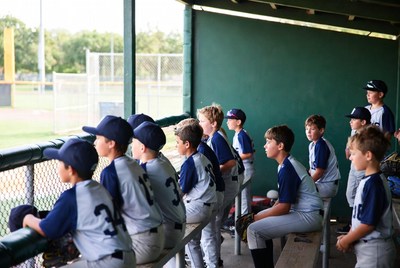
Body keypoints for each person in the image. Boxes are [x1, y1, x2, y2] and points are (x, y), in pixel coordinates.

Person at [22, 138, 136, 267]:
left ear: (71, 170)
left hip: (108, 263)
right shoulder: (99, 188)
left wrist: (28, 218)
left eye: (60, 161)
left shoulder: (73, 196)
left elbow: (47, 229)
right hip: (129, 257)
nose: (58, 165)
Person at [82, 115, 164, 265]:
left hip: (141, 243)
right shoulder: (133, 163)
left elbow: (109, 216)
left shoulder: (111, 172)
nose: (95, 142)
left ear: (111, 143)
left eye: (99, 138)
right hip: (156, 236)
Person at [247, 125, 323, 267]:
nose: (265, 145)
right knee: (259, 223)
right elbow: (282, 200)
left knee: (253, 230)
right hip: (305, 212)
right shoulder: (285, 164)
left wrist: (255, 218)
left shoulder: (288, 168)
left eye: (269, 142)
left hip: (308, 216)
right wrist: (258, 216)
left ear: (280, 145)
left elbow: (284, 208)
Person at [336, 125, 396, 267]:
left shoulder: (374, 184)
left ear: (368, 155)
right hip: (368, 247)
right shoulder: (369, 180)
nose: (350, 157)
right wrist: (350, 236)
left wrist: (346, 240)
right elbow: (361, 217)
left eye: (354, 153)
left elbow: (368, 224)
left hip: (375, 251)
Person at [131, 121, 186, 267]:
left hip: (168, 233)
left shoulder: (146, 170)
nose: (131, 145)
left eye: (134, 142)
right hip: (178, 225)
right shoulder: (163, 162)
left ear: (142, 147)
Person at [176, 118, 224, 268]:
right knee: (195, 240)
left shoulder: (189, 163)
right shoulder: (201, 156)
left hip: (198, 208)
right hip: (209, 204)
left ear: (187, 144)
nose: (177, 146)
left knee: (171, 223)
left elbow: (181, 192)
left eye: (178, 143)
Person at [197, 104, 239, 266]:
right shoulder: (215, 137)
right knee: (214, 227)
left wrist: (212, 171)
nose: (200, 124)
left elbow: (230, 162)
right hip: (229, 184)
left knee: (211, 228)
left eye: (202, 121)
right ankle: (215, 259)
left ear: (213, 123)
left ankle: (213, 262)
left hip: (227, 185)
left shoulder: (216, 138)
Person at [337, 107, 371, 234]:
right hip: (354, 168)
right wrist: (349, 149)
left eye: (354, 119)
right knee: (350, 195)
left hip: (364, 171)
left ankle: (357, 226)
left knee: (362, 198)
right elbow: (348, 152)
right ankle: (354, 223)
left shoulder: (369, 135)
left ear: (363, 122)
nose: (350, 122)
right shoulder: (354, 132)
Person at [225, 108, 255, 214]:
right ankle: (242, 220)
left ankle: (244, 223)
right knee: (242, 197)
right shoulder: (238, 134)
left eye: (230, 119)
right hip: (243, 167)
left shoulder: (242, 135)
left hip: (246, 167)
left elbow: (248, 153)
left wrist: (233, 159)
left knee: (244, 198)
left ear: (238, 122)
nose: (227, 121)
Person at [305, 114, 340, 198]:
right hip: (322, 183)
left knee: (299, 192)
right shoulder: (312, 145)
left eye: (312, 129)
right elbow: (313, 169)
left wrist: (305, 185)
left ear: (321, 130)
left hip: (327, 185)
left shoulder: (321, 145)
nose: (308, 132)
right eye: (306, 129)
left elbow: (319, 172)